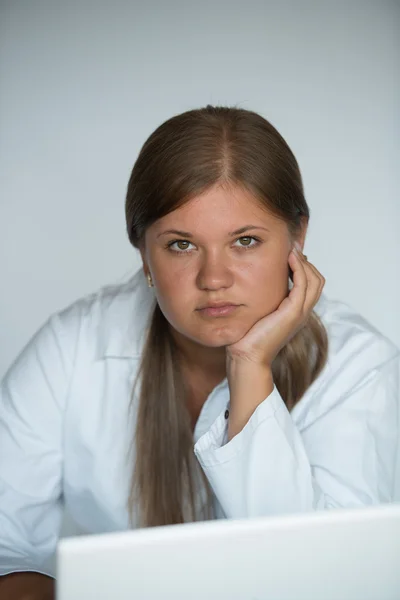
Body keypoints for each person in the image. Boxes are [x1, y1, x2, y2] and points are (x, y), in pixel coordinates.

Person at [0, 105, 399, 599]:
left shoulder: (359, 365)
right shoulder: (73, 345)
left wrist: (250, 365)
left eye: (246, 241)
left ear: (297, 237)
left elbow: (333, 581)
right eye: (182, 245)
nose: (214, 280)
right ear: (143, 251)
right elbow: (3, 543)